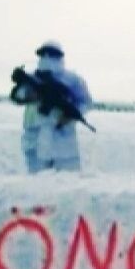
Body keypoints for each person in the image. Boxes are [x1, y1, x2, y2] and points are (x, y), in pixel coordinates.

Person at [10, 40, 93, 173]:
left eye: (51, 54)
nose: (47, 58)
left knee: (66, 179)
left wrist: (70, 117)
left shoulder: (72, 79)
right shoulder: (33, 78)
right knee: (36, 180)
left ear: (60, 57)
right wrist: (29, 94)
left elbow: (86, 102)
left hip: (62, 139)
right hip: (34, 137)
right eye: (43, 55)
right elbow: (16, 96)